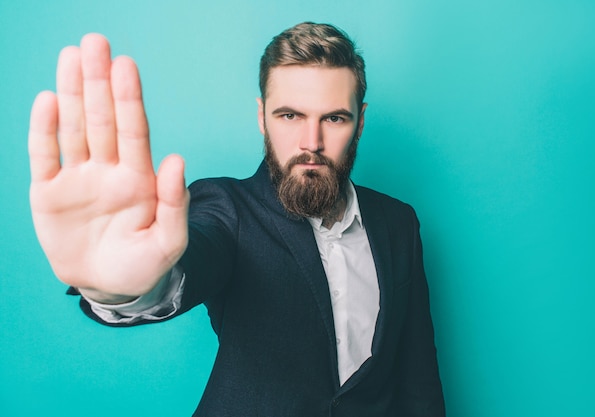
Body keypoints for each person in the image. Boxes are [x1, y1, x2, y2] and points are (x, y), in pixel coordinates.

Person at [28, 22, 445, 416]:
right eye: (290, 115)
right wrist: (127, 289)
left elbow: (418, 379)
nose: (311, 142)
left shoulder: (398, 223)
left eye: (334, 118)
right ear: (261, 115)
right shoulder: (227, 207)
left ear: (360, 121)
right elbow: (197, 255)